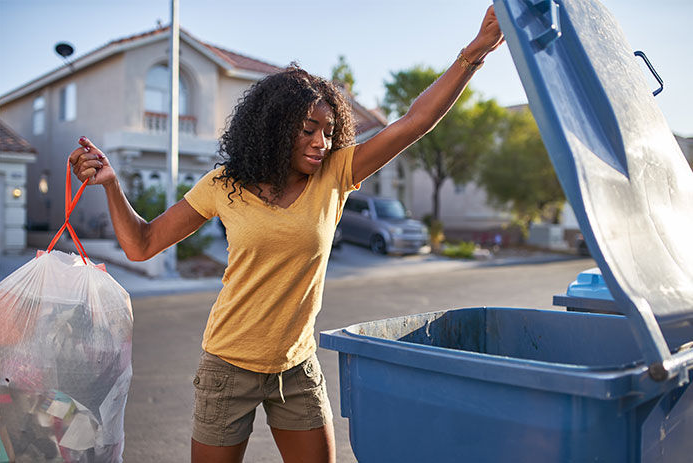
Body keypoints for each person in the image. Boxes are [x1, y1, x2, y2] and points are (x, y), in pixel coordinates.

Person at [69, 6, 503, 462]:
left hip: (296, 370)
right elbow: (142, 244)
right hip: (227, 368)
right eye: (309, 129)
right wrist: (113, 185)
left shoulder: (336, 174)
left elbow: (414, 122)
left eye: (329, 131)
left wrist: (473, 54)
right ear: (275, 128)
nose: (321, 142)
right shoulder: (223, 185)